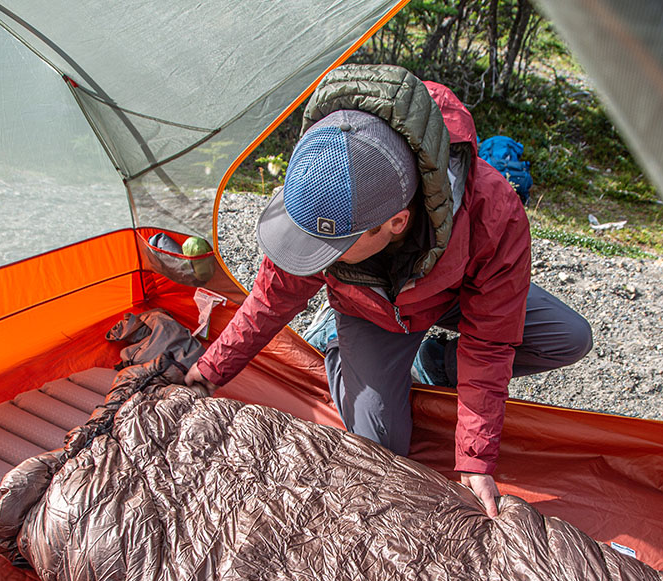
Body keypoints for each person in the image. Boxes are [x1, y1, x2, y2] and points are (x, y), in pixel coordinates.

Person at [185, 65, 591, 517]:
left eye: (333, 248)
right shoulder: (326, 175)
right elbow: (273, 294)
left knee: (569, 338)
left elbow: (491, 342)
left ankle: (431, 360)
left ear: (396, 222)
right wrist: (211, 369)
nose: (320, 256)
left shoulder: (493, 212)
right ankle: (340, 346)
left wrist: (475, 459)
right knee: (383, 447)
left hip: (453, 291)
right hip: (372, 311)